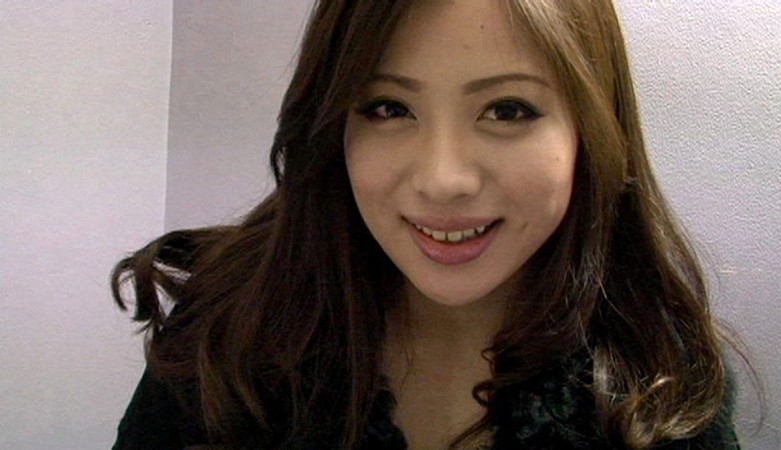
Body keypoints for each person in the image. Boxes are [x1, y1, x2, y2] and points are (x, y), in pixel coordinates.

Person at [111, 1, 743, 449]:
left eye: (507, 110)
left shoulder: (661, 376)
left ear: (592, 131)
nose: (444, 180)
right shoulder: (226, 333)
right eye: (389, 108)